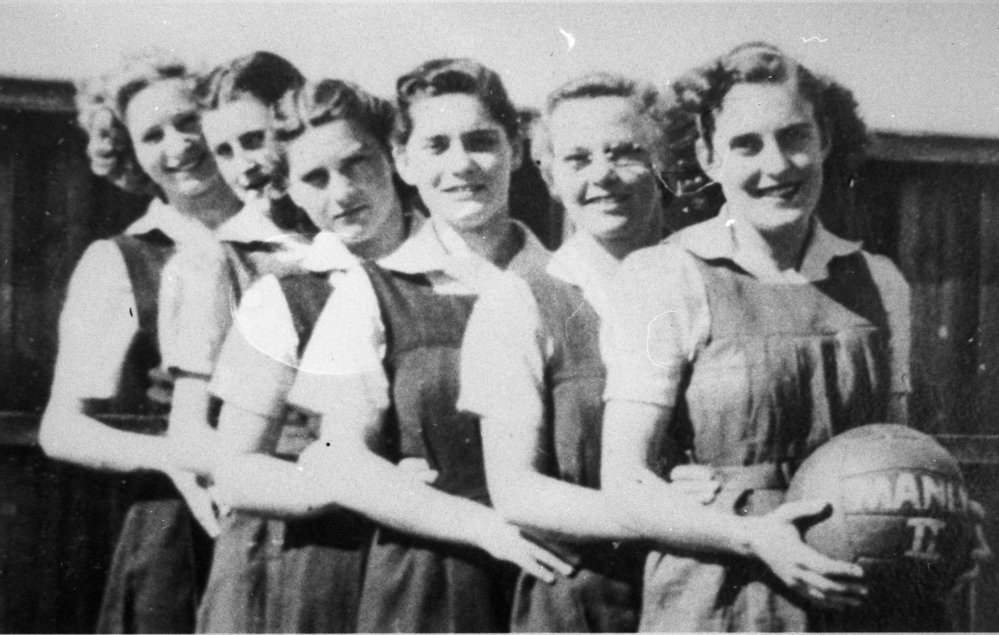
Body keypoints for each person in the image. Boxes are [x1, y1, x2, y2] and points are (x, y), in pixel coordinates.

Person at [227, 58, 574, 633]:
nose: (462, 164)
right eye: (437, 145)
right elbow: (317, 458)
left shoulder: (570, 284)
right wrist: (441, 510)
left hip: (559, 577)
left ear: (517, 147)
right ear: (408, 160)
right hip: (417, 578)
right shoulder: (356, 290)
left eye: (482, 141)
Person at [597, 42, 919, 631]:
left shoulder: (881, 281)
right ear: (708, 156)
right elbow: (623, 482)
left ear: (824, 139)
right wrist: (751, 538)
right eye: (746, 144)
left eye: (794, 136)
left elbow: (899, 460)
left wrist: (943, 526)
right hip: (722, 593)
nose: (777, 166)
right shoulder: (666, 275)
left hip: (859, 598)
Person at [459, 72, 714, 632]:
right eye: (577, 159)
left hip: (713, 597)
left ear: (666, 164)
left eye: (626, 153)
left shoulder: (713, 282)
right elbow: (517, 490)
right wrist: (683, 520)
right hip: (584, 602)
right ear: (550, 177)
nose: (603, 176)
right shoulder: (520, 299)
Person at [197, 77, 418, 632]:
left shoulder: (459, 280)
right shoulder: (286, 299)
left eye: (357, 163)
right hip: (323, 564)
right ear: (289, 190)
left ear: (393, 157)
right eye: (315, 178)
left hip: (442, 566)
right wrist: (354, 487)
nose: (341, 192)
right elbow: (233, 469)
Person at [39, 51, 241, 633]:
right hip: (178, 534)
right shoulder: (122, 265)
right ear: (130, 153)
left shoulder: (300, 241)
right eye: (152, 135)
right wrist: (176, 457)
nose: (177, 145)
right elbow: (62, 427)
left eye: (188, 121)